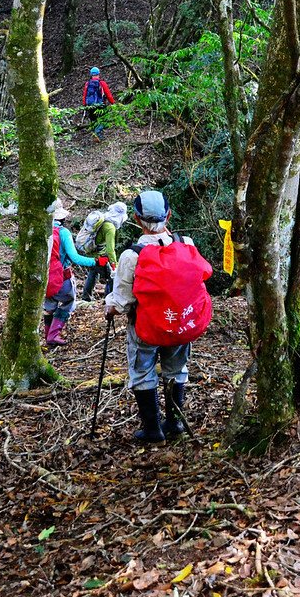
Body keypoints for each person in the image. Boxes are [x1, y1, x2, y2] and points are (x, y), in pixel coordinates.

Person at [105, 190, 212, 443]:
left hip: (147, 326)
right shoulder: (186, 243)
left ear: (136, 218)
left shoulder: (132, 255)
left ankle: (153, 430)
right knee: (176, 369)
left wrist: (110, 308)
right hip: (181, 322)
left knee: (142, 372)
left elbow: (122, 300)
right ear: (169, 215)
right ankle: (174, 422)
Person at [44, 198, 108, 346]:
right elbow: (75, 258)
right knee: (68, 302)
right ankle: (53, 335)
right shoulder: (63, 232)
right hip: (62, 277)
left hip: (45, 277)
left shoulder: (41, 229)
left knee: (49, 306)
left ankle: (48, 335)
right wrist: (96, 261)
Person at [82, 201, 128, 302]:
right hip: (99, 256)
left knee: (93, 272)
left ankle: (86, 296)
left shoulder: (103, 219)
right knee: (111, 277)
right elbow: (110, 249)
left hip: (91, 252)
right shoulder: (110, 227)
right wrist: (114, 265)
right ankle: (108, 299)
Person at [82, 66, 115, 141]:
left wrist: (84, 105)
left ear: (91, 75)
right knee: (103, 119)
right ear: (98, 74)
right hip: (100, 105)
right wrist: (113, 103)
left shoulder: (87, 83)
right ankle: (98, 133)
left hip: (90, 106)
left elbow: (85, 95)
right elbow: (108, 94)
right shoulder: (102, 83)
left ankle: (95, 134)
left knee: (93, 120)